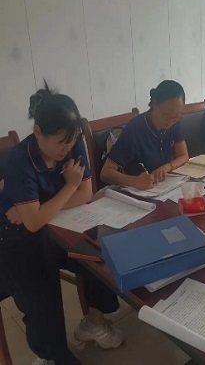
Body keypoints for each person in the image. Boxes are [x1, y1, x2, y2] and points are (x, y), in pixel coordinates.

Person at [0, 84, 124, 365]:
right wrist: (68, 187)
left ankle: (94, 324)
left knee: (98, 256)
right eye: (60, 143)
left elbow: (86, 193)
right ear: (37, 132)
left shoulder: (73, 140)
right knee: (44, 300)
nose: (67, 149)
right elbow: (32, 224)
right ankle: (50, 355)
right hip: (16, 237)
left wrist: (42, 208)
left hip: (57, 224)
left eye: (71, 141)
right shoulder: (20, 159)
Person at [101, 80, 189, 189]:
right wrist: (134, 181)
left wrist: (166, 167)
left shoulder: (174, 122)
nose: (171, 121)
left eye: (177, 115)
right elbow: (106, 173)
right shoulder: (135, 128)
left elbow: (183, 155)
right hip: (136, 190)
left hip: (161, 186)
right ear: (155, 104)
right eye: (166, 114)